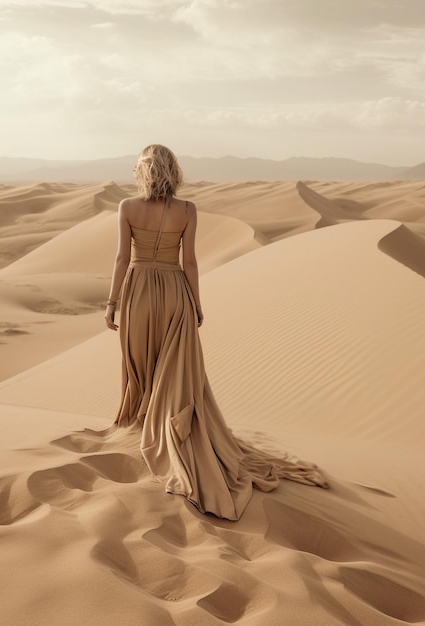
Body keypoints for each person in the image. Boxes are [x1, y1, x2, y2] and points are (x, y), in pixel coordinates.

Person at [105, 144, 328, 520]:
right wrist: (195, 303)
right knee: (173, 367)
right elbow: (188, 261)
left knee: (141, 361)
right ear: (173, 171)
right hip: (175, 292)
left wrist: (112, 302)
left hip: (139, 291)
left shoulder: (127, 207)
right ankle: (165, 426)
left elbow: (122, 258)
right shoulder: (187, 210)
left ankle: (142, 422)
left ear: (142, 172)